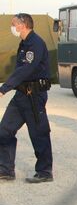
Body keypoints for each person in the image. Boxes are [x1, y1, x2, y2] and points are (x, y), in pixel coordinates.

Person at [0, 13, 53, 183]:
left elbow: (25, 71)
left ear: (22, 25)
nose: (12, 27)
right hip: (21, 95)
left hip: (33, 96)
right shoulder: (24, 43)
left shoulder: (35, 43)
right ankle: (6, 169)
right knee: (4, 131)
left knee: (39, 133)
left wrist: (4, 88)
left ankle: (45, 172)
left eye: (14, 24)